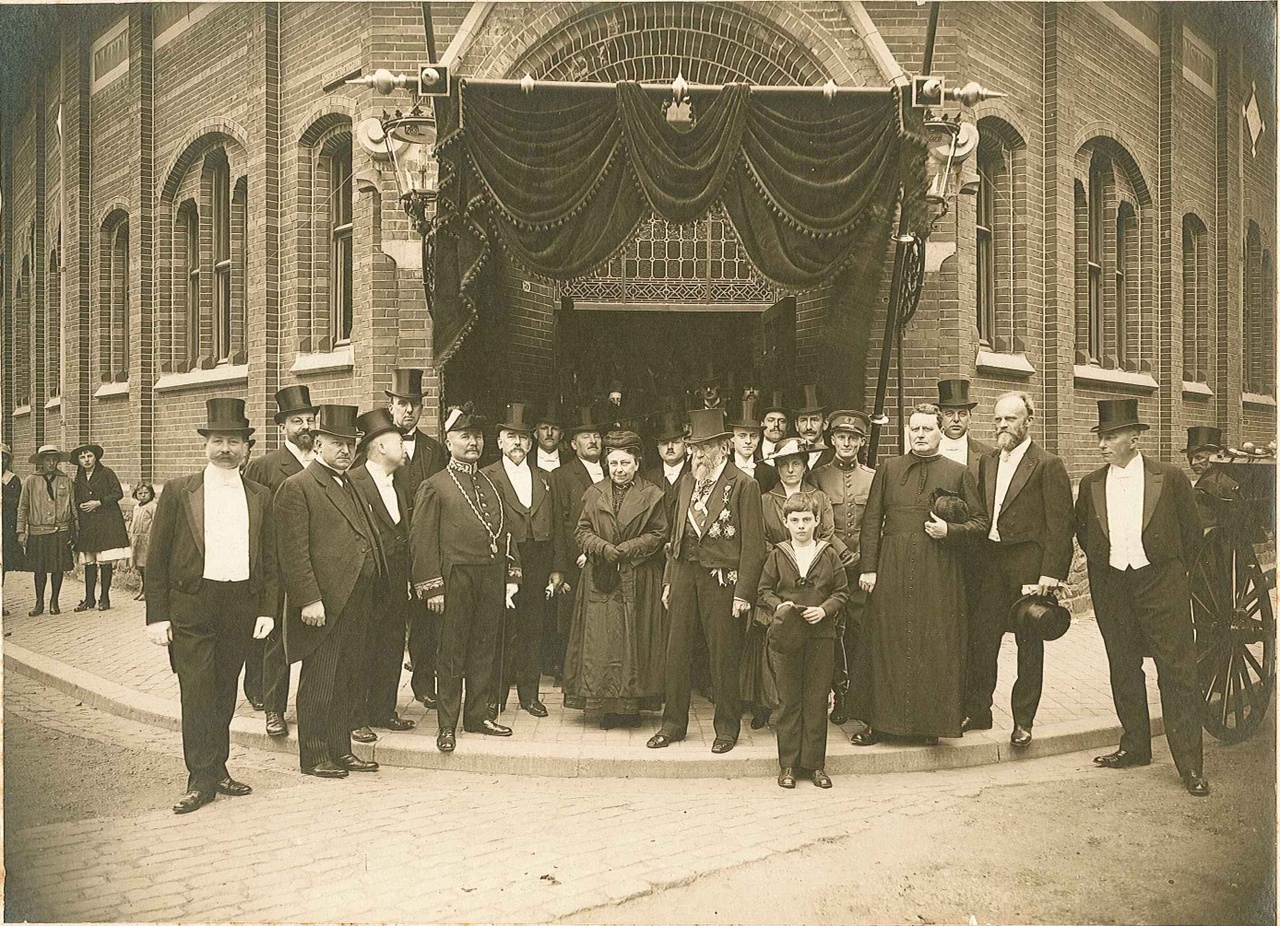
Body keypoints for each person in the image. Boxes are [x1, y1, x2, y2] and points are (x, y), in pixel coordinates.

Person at [144, 398, 279, 814]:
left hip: (239, 603)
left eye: (234, 442)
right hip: (193, 605)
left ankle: (218, 768)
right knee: (197, 691)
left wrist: (267, 610)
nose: (226, 449)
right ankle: (199, 778)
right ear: (205, 445)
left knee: (224, 690)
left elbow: (270, 558)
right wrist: (157, 615)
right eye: (218, 440)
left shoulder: (259, 495)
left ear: (246, 449)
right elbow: (158, 555)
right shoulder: (179, 492)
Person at [1075, 399, 1208, 797]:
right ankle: (1135, 746)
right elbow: (1085, 532)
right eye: (1101, 437)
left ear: (1134, 438)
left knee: (1177, 671)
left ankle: (1190, 766)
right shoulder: (1091, 483)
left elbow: (1192, 535)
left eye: (1111, 436)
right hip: (1112, 585)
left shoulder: (1169, 478)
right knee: (1123, 664)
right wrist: (1107, 563)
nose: (1103, 444)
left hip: (1160, 583)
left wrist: (1169, 573)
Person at [855, 404, 987, 745]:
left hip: (938, 569)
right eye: (915, 429)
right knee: (886, 643)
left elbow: (979, 524)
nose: (920, 435)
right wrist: (869, 567)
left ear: (940, 432)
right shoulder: (889, 468)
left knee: (933, 644)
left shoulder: (958, 472)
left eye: (927, 429)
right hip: (892, 567)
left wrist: (950, 530)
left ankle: (930, 725)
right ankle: (879, 724)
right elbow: (871, 522)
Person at [275, 405, 385, 779]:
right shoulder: (299, 487)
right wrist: (309, 600)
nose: (344, 450)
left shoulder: (350, 481)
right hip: (325, 602)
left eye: (350, 444)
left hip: (357, 599)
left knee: (347, 679)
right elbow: (293, 551)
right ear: (317, 443)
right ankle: (315, 754)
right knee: (320, 681)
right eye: (336, 443)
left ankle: (341, 750)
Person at [648, 407, 766, 755]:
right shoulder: (687, 482)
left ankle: (726, 727)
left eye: (706, 448)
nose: (698, 455)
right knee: (676, 652)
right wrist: (669, 580)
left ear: (724, 448)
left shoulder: (744, 484)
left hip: (722, 580)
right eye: (695, 448)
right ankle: (673, 724)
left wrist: (744, 592)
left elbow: (754, 546)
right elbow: (676, 536)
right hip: (685, 575)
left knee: (723, 656)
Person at [411, 404, 522, 753]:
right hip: (455, 578)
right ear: (449, 441)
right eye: (465, 436)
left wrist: (511, 574)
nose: (472, 442)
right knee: (451, 654)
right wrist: (432, 586)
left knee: (484, 648)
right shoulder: (435, 486)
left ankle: (477, 716)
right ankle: (447, 725)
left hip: (489, 576)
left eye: (476, 436)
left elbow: (506, 533)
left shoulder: (491, 482)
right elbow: (422, 540)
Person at [965, 392, 1073, 748]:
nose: (1002, 426)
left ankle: (1023, 721)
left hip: (1028, 567)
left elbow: (1060, 526)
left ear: (1029, 420)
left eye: (1010, 419)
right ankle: (979, 709)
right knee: (983, 639)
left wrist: (1050, 574)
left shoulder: (1047, 464)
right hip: (990, 565)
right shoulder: (987, 461)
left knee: (1029, 645)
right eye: (997, 419)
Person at [563, 431, 669, 728]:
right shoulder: (594, 493)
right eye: (613, 463)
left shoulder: (652, 494)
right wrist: (603, 548)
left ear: (636, 464)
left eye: (625, 463)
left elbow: (660, 533)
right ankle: (605, 706)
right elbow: (581, 530)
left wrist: (627, 549)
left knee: (633, 639)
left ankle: (630, 706)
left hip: (637, 574)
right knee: (602, 642)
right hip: (602, 574)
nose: (619, 469)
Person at [748, 438, 843, 728]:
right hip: (777, 578)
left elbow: (827, 533)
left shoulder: (819, 497)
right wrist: (782, 559)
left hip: (814, 582)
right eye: (784, 464)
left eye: (796, 464)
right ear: (777, 468)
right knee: (774, 641)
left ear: (805, 466)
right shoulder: (765, 500)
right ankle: (768, 705)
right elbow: (759, 538)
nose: (790, 470)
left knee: (816, 648)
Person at [759, 492, 850, 789]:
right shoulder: (778, 554)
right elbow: (764, 590)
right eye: (795, 520)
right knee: (789, 700)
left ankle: (815, 765)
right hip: (788, 635)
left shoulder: (828, 553)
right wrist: (779, 606)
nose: (801, 526)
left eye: (806, 520)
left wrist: (824, 610)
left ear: (817, 521)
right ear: (785, 522)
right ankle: (788, 764)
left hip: (820, 635)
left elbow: (842, 592)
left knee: (815, 699)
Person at [243, 384, 318, 738]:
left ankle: (315, 708)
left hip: (318, 567)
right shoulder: (264, 467)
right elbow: (251, 519)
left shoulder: (323, 463)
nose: (305, 427)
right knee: (277, 643)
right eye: (297, 421)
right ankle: (274, 710)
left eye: (309, 419)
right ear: (282, 427)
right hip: (279, 569)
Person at [482, 402, 560, 718]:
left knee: (533, 627)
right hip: (502, 560)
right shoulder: (487, 476)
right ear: (499, 441)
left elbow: (557, 526)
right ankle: (494, 697)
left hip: (538, 559)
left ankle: (529, 695)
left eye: (523, 438)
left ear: (531, 442)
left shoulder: (545, 477)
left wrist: (557, 567)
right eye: (511, 436)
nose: (518, 443)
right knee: (500, 628)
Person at [347, 408, 416, 744]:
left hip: (395, 583)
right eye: (399, 442)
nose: (404, 448)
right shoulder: (353, 481)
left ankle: (383, 709)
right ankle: (355, 715)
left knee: (390, 646)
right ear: (379, 448)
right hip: (366, 583)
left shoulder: (398, 483)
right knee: (361, 649)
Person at [383, 369, 449, 714]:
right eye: (402, 404)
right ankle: (385, 694)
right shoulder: (379, 447)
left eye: (414, 405)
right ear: (390, 406)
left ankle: (425, 683)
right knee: (391, 620)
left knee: (427, 617)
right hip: (391, 545)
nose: (408, 411)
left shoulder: (435, 450)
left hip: (425, 544)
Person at [811, 410, 876, 728]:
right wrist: (840, 551)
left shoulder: (873, 477)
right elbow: (817, 521)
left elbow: (877, 522)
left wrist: (863, 555)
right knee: (832, 635)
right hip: (831, 567)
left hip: (862, 571)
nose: (847, 443)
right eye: (841, 437)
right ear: (832, 439)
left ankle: (859, 697)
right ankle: (838, 695)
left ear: (861, 442)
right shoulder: (819, 476)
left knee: (860, 633)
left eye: (853, 438)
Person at [550, 407, 606, 680]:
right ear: (573, 444)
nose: (593, 440)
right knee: (573, 619)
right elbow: (560, 526)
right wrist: (562, 564)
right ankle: (573, 674)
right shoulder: (561, 476)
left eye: (596, 435)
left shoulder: (612, 469)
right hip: (576, 560)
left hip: (607, 557)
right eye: (586, 436)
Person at [71, 442, 132, 612]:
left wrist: (98, 502)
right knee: (89, 561)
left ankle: (104, 597)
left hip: (106, 521)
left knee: (105, 560)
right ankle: (89, 598)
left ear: (96, 457)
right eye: (82, 457)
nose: (86, 460)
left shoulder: (106, 473)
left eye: (89, 456)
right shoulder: (79, 477)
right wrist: (81, 505)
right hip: (88, 524)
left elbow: (117, 493)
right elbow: (76, 496)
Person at [17, 445, 76, 616]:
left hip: (60, 530)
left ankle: (54, 602)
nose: (51, 463)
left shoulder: (65, 480)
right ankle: (39, 603)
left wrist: (75, 531)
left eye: (54, 459)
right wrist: (21, 531)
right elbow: (23, 507)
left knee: (58, 568)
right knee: (40, 568)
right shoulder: (30, 481)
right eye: (47, 459)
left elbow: (73, 507)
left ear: (58, 461)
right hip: (38, 531)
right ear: (41, 461)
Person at [935, 379, 993, 479]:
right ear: (940, 418)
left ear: (970, 418)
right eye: (949, 414)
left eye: (962, 414)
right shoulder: (929, 451)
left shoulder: (988, 454)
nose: (956, 419)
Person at [1184, 426, 1237, 529]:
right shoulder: (1226, 475)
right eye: (1190, 458)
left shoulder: (1206, 485)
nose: (1192, 463)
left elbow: (1201, 525)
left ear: (1216, 456)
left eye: (1199, 457)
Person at [2, 442, 24, 615]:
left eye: (4, 458)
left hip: (6, 527)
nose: (1, 461)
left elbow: (17, 502)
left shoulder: (13, 480)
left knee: (2, 565)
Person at [793, 384, 835, 470]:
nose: (808, 427)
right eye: (803, 420)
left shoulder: (835, 457)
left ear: (825, 424)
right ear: (797, 425)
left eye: (814, 420)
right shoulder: (789, 457)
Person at [129, 483, 157, 601]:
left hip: (147, 539)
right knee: (139, 566)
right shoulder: (136, 507)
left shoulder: (153, 506)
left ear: (151, 494)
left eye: (146, 493)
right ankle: (142, 589)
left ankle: (148, 591)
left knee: (146, 566)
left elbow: (156, 523)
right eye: (140, 493)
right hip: (137, 540)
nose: (143, 496)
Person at [534, 401, 567, 473]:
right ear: (536, 434)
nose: (549, 433)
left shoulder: (569, 461)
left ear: (561, 435)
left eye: (554, 429)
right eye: (544, 428)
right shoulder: (527, 460)